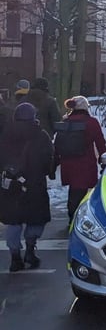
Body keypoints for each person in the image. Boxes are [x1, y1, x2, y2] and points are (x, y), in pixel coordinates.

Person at [0, 103, 54, 271]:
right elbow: (49, 161)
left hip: (12, 186)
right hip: (35, 185)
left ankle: (15, 256)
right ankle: (30, 248)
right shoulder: (41, 135)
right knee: (36, 219)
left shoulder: (6, 135)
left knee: (13, 222)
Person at [54, 96, 106, 220]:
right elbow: (100, 142)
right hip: (84, 163)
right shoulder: (91, 122)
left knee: (74, 190)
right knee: (80, 192)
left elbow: (58, 143)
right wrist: (103, 159)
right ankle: (77, 218)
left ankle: (73, 215)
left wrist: (55, 160)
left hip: (67, 163)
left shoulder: (65, 122)